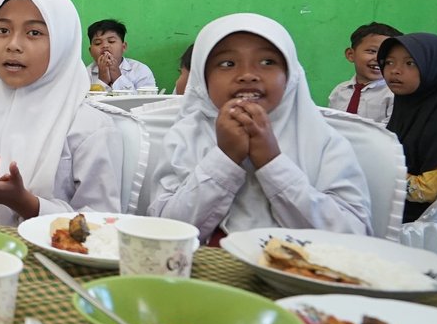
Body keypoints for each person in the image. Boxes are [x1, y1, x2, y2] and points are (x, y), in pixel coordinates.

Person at [149, 14, 372, 243]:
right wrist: (224, 159)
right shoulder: (185, 136)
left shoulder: (324, 142)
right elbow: (164, 232)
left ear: (290, 75)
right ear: (202, 79)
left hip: (296, 275)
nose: (247, 75)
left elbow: (353, 237)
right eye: (227, 64)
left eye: (267, 62)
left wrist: (272, 162)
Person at [0, 0, 124, 225]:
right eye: (2, 30)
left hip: (49, 260)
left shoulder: (88, 127)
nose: (13, 44)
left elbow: (104, 222)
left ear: (62, 43)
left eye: (34, 33)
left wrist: (25, 203)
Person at [379, 33, 437, 223]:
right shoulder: (407, 105)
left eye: (410, 63)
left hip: (422, 229)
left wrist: (373, 171)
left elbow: (427, 190)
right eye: (389, 62)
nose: (395, 71)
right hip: (394, 216)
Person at [328, 22, 401, 126]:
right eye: (372, 51)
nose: (378, 58)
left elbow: (389, 132)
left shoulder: (393, 94)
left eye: (387, 54)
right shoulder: (339, 91)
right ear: (351, 55)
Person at [86, 19, 156, 92]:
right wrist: (102, 81)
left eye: (111, 41)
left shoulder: (140, 70)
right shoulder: (84, 74)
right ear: (90, 51)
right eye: (98, 43)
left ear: (123, 47)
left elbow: (147, 101)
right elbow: (83, 102)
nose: (105, 46)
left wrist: (117, 76)